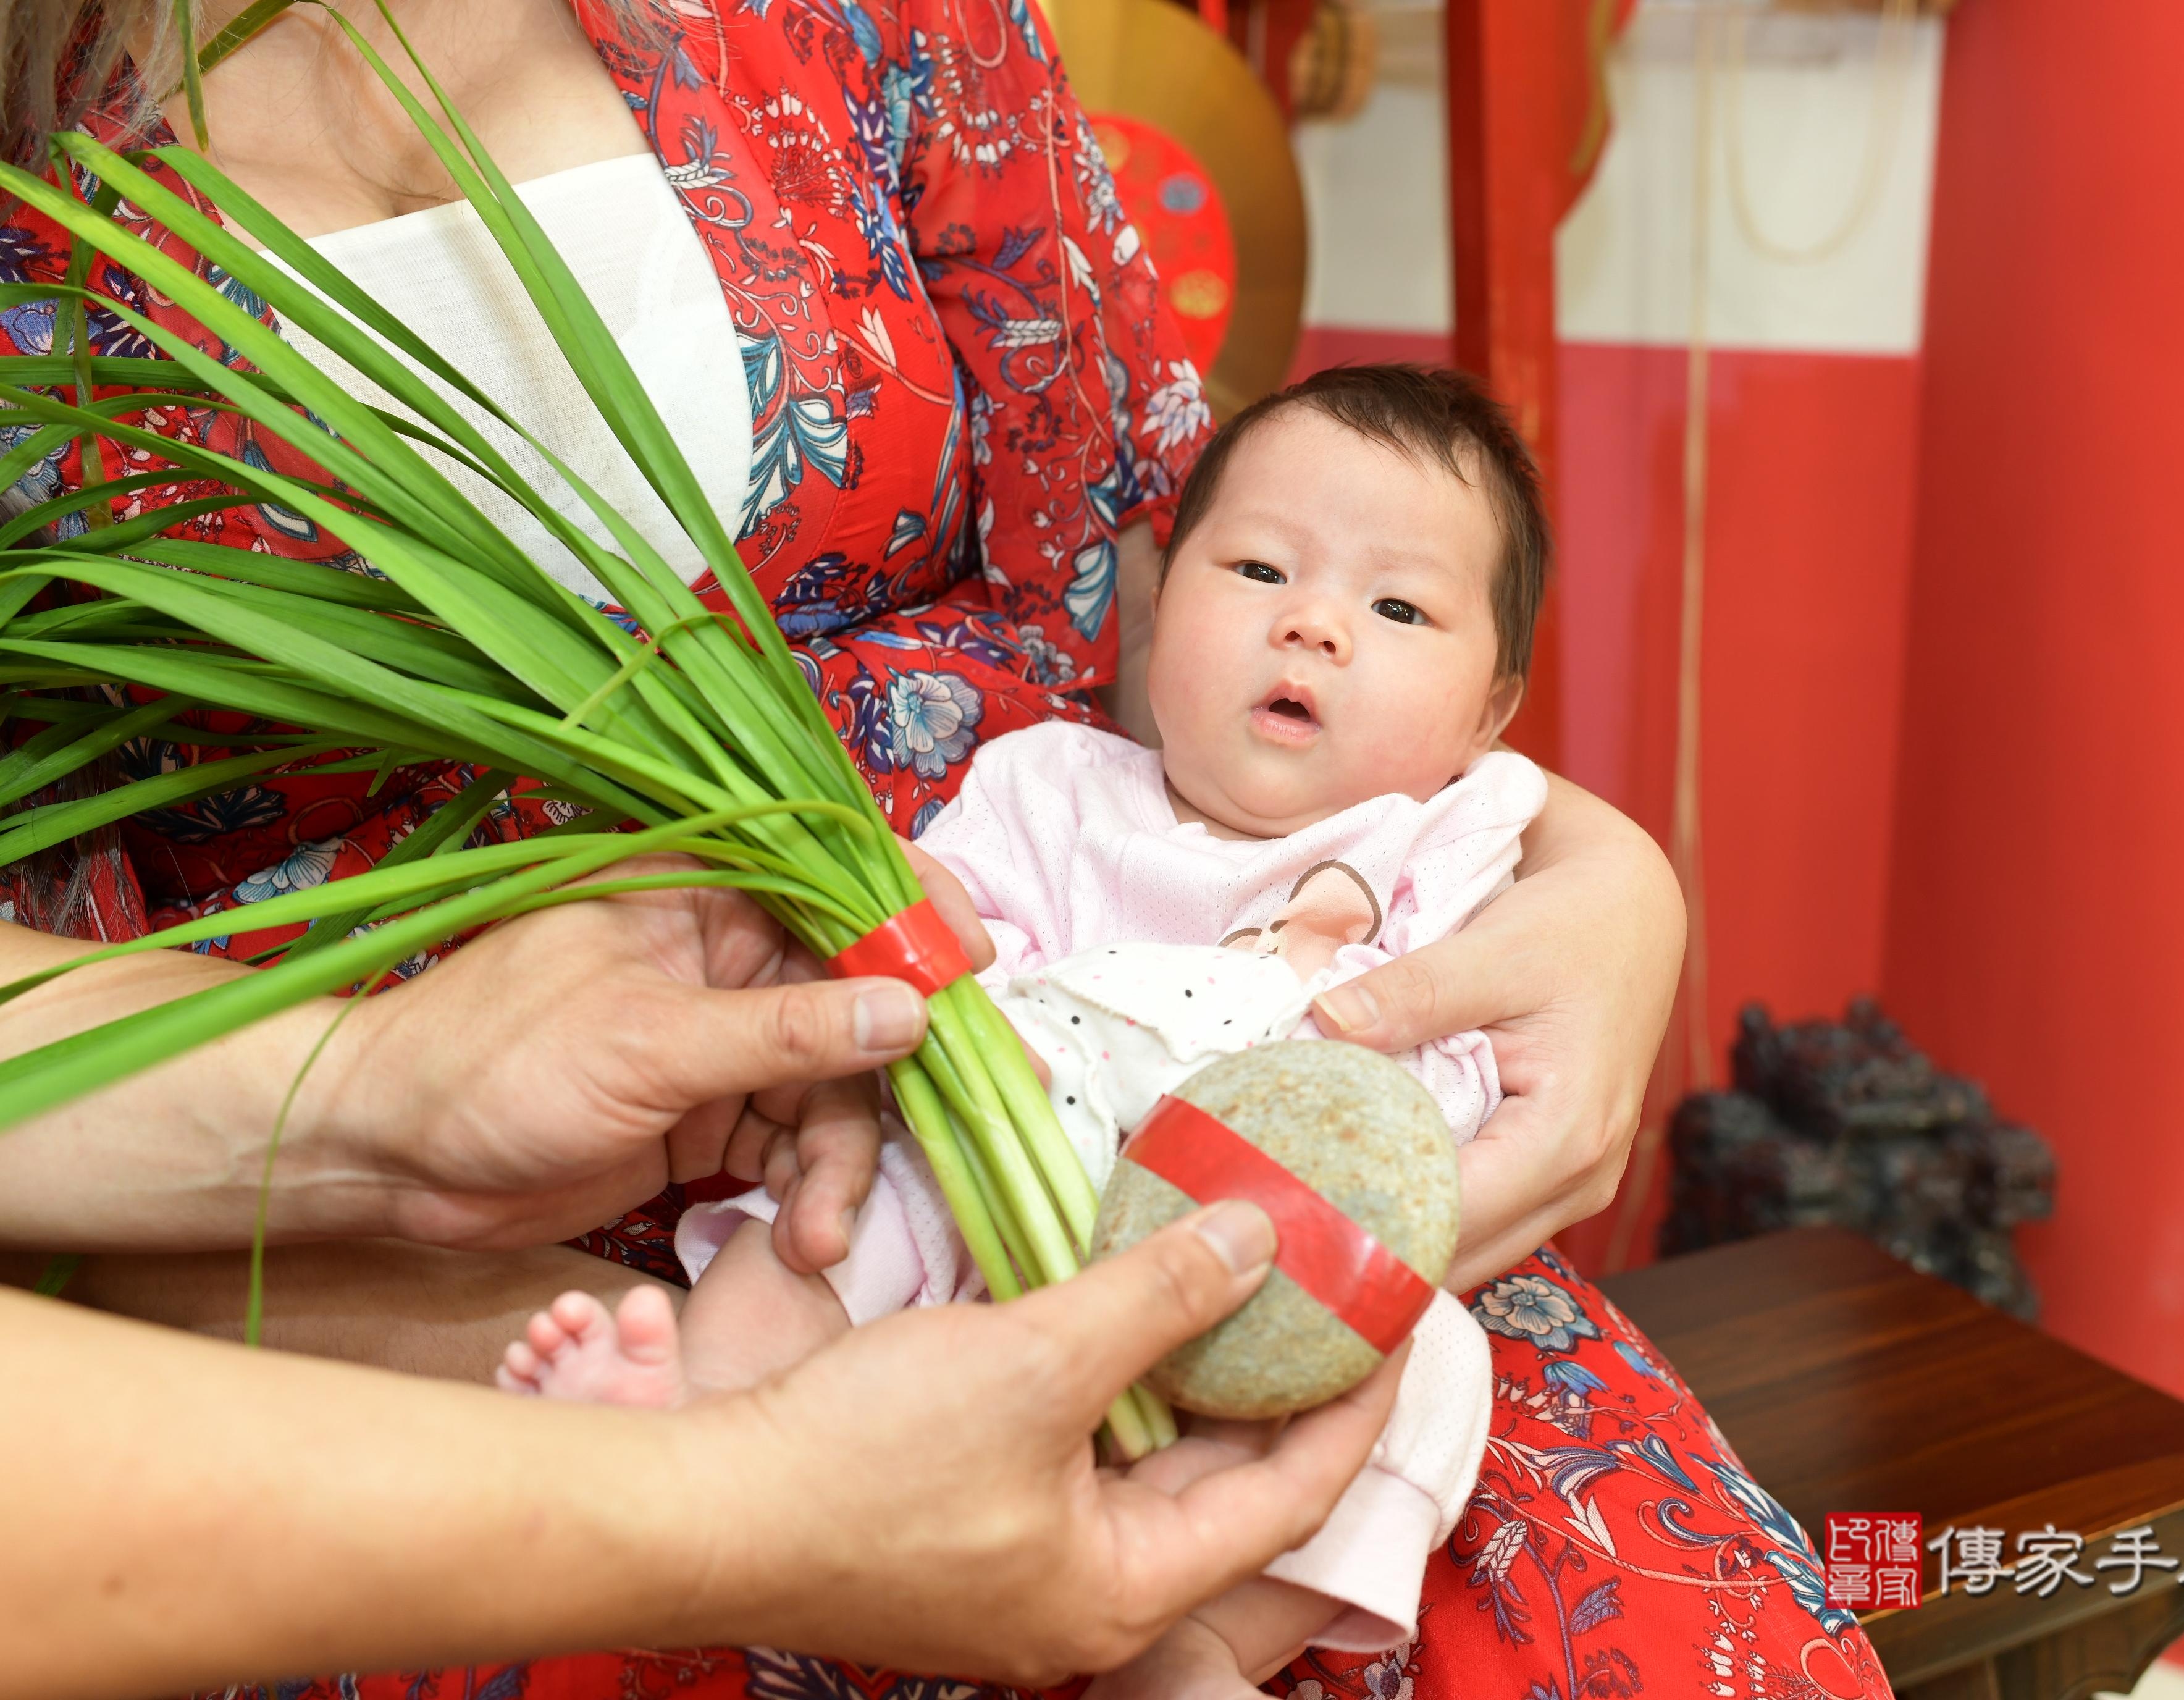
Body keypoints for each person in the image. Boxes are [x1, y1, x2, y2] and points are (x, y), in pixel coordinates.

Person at [2, 1, 1891, 1696]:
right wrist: (384, 1124)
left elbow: (1207, 545)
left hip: (1199, 1145)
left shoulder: (870, 20)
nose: (1326, 620)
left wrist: (1596, 874)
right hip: (385, 1283)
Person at [506, 366, 1544, 1698]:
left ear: (1490, 712)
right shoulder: (1052, 780)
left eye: (1399, 607)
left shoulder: (1431, 840)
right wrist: (862, 885)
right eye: (1262, 570)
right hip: (998, 1169)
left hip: (1263, 1240)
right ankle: (685, 1427)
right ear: (1160, 605)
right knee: (822, 1231)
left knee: (1432, 1369)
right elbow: (945, 915)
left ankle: (1203, 1647)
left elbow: (1467, 1024)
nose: (1316, 627)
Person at [0, 873, 1409, 1697]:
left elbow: (1193, 535)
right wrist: (742, 1490)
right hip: (859, 1206)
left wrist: (1601, 870)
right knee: (811, 1261)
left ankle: (1202, 1647)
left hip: (789, 1105)